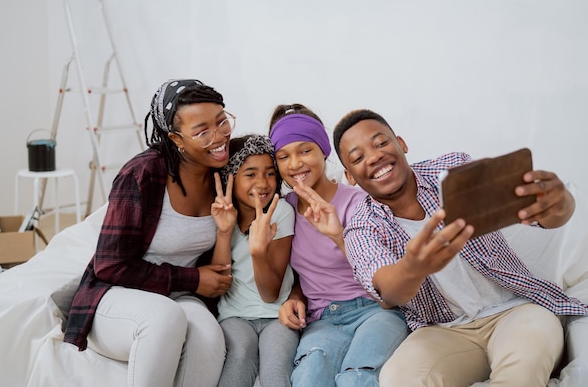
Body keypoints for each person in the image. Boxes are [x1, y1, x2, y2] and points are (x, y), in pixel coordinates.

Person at [330, 108, 588, 387]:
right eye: (358, 157)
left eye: (381, 143)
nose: (375, 156)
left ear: (401, 143)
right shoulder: (361, 229)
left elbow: (540, 215)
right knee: (398, 380)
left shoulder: (453, 170)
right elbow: (388, 291)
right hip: (444, 332)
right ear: (350, 176)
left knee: (520, 376)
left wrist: (561, 203)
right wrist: (414, 267)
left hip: (515, 311)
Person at [63, 79, 236, 387]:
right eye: (202, 131)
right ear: (175, 138)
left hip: (180, 298)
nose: (219, 136)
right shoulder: (142, 174)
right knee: (164, 318)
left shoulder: (224, 173)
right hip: (116, 297)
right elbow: (110, 265)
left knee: (210, 339)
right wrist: (193, 279)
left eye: (222, 121)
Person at [269, 104, 409, 387]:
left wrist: (338, 235)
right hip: (323, 319)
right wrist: (295, 296)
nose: (295, 164)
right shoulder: (283, 212)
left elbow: (386, 272)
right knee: (308, 378)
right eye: (283, 156)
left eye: (305, 150)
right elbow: (301, 273)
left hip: (376, 310)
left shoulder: (359, 202)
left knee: (356, 378)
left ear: (324, 150)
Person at [210, 133, 299, 387]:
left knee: (275, 366)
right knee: (239, 355)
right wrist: (224, 231)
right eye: (250, 174)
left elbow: (271, 294)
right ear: (231, 178)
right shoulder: (221, 214)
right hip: (235, 316)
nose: (262, 183)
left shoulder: (280, 212)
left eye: (270, 173)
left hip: (277, 315)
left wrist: (258, 249)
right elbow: (220, 281)